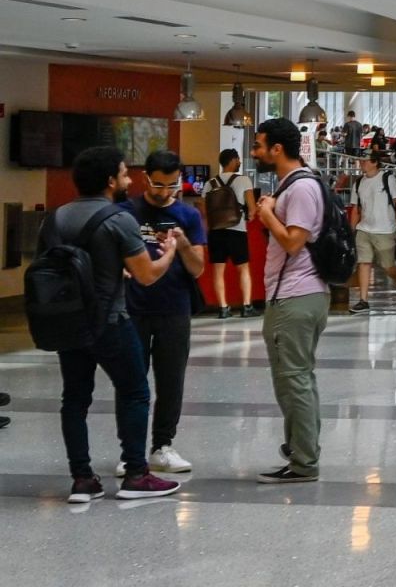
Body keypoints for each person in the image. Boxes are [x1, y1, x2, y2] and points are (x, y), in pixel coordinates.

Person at [51, 146, 184, 502]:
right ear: (110, 181)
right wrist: (170, 251)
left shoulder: (57, 218)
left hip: (69, 324)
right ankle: (136, 475)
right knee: (135, 391)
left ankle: (82, 479)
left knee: (75, 398)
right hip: (110, 321)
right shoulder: (119, 219)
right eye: (125, 174)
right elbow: (147, 275)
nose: (128, 179)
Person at [118, 150, 208, 476]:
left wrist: (183, 245)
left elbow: (198, 269)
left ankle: (162, 446)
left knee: (171, 382)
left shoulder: (188, 215)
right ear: (146, 178)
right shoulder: (125, 211)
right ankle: (131, 452)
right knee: (132, 383)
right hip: (133, 308)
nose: (164, 192)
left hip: (174, 309)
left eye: (171, 186)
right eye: (158, 184)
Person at [250, 117, 328, 485]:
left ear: (277, 149)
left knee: (293, 380)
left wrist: (267, 215)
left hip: (296, 296)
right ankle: (301, 447)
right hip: (301, 294)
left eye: (259, 145)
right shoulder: (297, 183)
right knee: (300, 378)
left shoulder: (299, 188)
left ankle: (304, 460)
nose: (255, 152)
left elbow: (294, 241)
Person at [348, 153, 396, 314]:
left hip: (385, 229)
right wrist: (351, 230)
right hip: (364, 228)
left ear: (375, 163)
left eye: (365, 161)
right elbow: (355, 209)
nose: (361, 164)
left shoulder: (387, 179)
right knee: (364, 263)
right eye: (360, 161)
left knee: (388, 267)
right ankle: (363, 300)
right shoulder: (359, 182)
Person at [207, 148, 257, 319]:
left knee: (218, 270)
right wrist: (250, 215)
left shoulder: (210, 183)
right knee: (243, 269)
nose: (240, 162)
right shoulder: (243, 180)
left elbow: (202, 208)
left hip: (215, 232)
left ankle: (223, 308)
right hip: (237, 230)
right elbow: (252, 208)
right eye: (238, 159)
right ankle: (246, 306)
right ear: (233, 160)